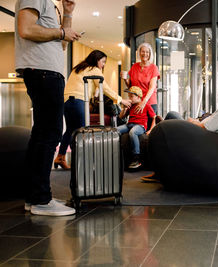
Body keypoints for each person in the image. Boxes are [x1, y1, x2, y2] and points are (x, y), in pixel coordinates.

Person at [15, 0, 82, 216]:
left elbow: (61, 43)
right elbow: (25, 29)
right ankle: (41, 199)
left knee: (43, 133)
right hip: (42, 72)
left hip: (48, 72)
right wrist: (61, 32)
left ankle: (35, 196)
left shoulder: (50, 4)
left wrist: (68, 13)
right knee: (50, 133)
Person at [141, 76, 218, 182]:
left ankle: (160, 132)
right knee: (171, 117)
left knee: (171, 116)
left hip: (199, 135)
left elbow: (205, 128)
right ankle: (161, 129)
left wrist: (192, 121)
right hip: (199, 131)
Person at [54, 50, 131, 170]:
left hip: (67, 102)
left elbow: (93, 88)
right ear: (97, 60)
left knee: (70, 130)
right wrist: (121, 100)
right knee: (83, 132)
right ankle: (82, 163)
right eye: (103, 61)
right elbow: (105, 88)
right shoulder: (94, 69)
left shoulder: (79, 68)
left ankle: (60, 156)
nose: (103, 65)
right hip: (78, 101)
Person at [117, 86, 156, 169]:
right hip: (129, 124)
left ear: (138, 96)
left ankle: (136, 158)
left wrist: (151, 130)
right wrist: (124, 109)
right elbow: (121, 117)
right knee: (115, 130)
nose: (129, 98)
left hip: (140, 126)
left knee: (133, 132)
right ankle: (116, 153)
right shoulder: (130, 105)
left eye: (131, 96)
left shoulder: (146, 106)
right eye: (129, 96)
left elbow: (154, 117)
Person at [121, 43, 160, 114]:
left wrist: (144, 102)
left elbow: (152, 87)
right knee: (136, 123)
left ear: (150, 54)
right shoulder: (134, 66)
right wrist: (124, 79)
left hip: (149, 102)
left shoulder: (154, 68)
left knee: (148, 124)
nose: (145, 54)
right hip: (136, 101)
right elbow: (130, 86)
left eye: (147, 52)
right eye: (143, 51)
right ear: (139, 53)